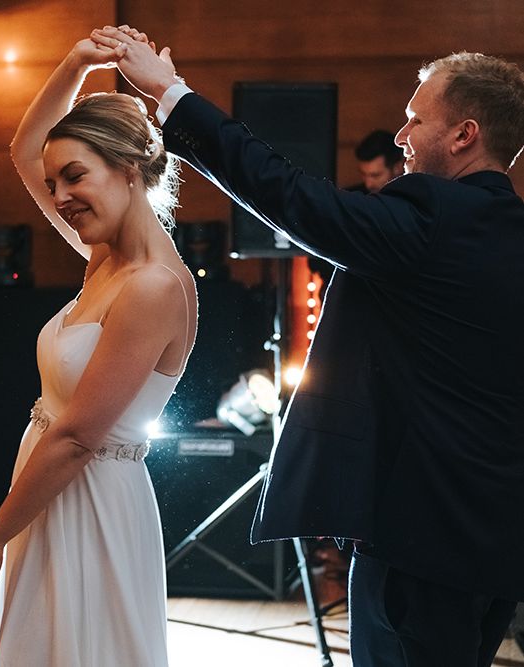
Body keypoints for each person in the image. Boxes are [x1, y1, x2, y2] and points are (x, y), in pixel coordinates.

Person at [91, 26, 524, 667]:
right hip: (495, 540)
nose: (400, 137)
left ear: (464, 135)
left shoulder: (434, 216)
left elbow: (293, 198)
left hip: (420, 537)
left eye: (414, 120)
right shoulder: (509, 230)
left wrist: (170, 93)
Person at [0, 37, 197, 667]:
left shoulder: (151, 286)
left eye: (75, 175)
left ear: (125, 167)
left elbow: (77, 438)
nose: (59, 195)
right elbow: (22, 150)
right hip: (49, 491)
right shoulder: (105, 257)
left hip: (91, 503)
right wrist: (77, 63)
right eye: (53, 181)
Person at [350, 129, 405, 193]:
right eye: (363, 174)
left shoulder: (413, 198)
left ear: (397, 168)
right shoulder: (353, 197)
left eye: (376, 175)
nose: (368, 184)